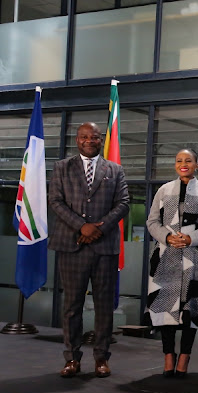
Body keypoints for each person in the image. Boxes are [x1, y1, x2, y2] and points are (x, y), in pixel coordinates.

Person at [48, 122, 130, 378]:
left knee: (104, 306)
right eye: (84, 136)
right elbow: (55, 201)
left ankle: (101, 359)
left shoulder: (115, 169)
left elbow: (124, 203)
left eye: (93, 137)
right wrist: (82, 226)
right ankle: (72, 359)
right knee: (72, 306)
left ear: (100, 139)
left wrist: (99, 228)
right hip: (71, 246)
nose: (88, 140)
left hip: (104, 247)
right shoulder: (62, 167)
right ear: (77, 139)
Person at [146, 149, 198, 378]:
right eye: (179, 160)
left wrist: (190, 239)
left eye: (188, 160)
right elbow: (152, 222)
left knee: (192, 309)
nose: (183, 164)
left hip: (196, 258)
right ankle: (168, 356)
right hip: (166, 258)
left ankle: (185, 358)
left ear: (196, 165)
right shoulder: (163, 190)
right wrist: (167, 237)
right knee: (166, 310)